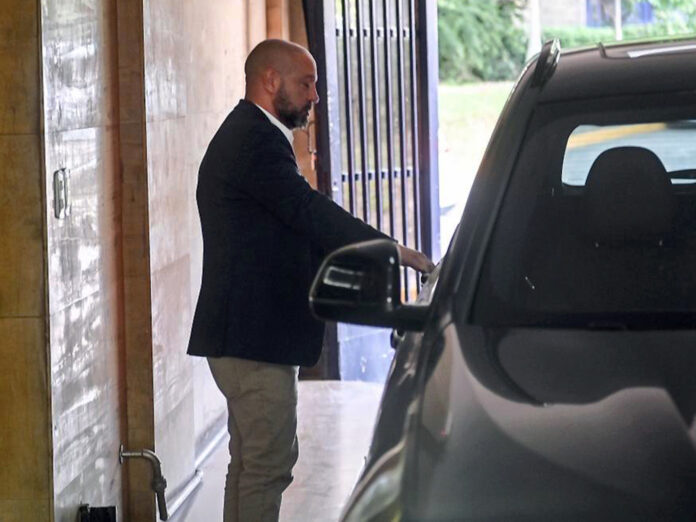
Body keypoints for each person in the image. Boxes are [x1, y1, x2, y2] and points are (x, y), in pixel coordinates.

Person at [187, 39, 434, 522]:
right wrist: (396, 252)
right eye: (306, 84)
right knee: (267, 467)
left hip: (244, 338)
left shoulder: (251, 135)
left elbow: (294, 223)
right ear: (270, 81)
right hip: (252, 342)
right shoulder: (254, 142)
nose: (315, 96)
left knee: (250, 465)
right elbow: (310, 213)